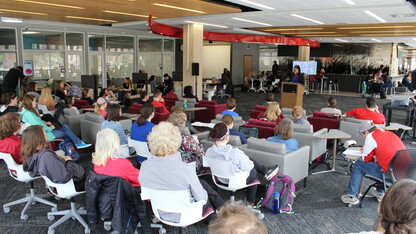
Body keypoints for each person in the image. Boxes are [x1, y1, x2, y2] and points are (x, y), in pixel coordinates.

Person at [139, 122, 225, 222]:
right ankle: (219, 222)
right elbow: (202, 198)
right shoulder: (184, 169)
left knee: (203, 184)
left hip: (160, 212)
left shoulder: (144, 167)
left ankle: (223, 212)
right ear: (176, 141)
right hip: (187, 212)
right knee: (204, 193)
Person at [205, 123, 279, 206]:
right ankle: (250, 202)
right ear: (227, 137)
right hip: (236, 181)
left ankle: (265, 171)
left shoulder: (209, 152)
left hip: (219, 180)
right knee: (253, 172)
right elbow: (249, 166)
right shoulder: (235, 152)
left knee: (244, 158)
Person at [341, 121, 405, 205]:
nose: (363, 137)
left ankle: (351, 196)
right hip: (405, 172)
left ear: (366, 132)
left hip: (391, 174)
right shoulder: (387, 133)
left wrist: (366, 151)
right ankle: (380, 193)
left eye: (362, 135)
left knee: (358, 165)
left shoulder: (370, 137)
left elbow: (366, 159)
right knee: (380, 163)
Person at [21, 125, 86, 191]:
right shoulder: (47, 156)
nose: (46, 135)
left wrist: (61, 159)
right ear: (40, 138)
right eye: (44, 133)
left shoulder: (32, 156)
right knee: (95, 178)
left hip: (65, 177)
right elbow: (64, 177)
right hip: (74, 181)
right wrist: (69, 161)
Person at [19, 94, 91, 149]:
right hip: (45, 134)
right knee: (64, 132)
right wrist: (50, 128)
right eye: (35, 101)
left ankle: (77, 143)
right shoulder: (30, 114)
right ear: (30, 102)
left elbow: (37, 123)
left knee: (65, 127)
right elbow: (38, 126)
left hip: (45, 132)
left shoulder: (27, 113)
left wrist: (45, 123)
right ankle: (75, 145)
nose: (36, 103)